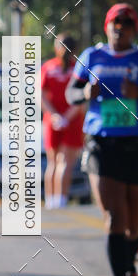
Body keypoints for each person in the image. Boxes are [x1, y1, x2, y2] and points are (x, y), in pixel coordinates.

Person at [66, 3, 138, 276]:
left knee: (135, 223)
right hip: (101, 143)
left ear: (134, 29)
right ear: (107, 26)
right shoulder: (92, 56)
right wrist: (86, 94)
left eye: (126, 23)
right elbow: (71, 93)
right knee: (113, 217)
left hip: (134, 143)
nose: (119, 27)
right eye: (115, 22)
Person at [41, 33, 85, 209]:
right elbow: (82, 99)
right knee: (65, 163)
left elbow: (41, 96)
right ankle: (61, 200)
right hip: (72, 121)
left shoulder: (47, 67)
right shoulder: (79, 69)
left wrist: (54, 116)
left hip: (53, 121)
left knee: (53, 163)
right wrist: (65, 117)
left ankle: (51, 201)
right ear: (75, 50)